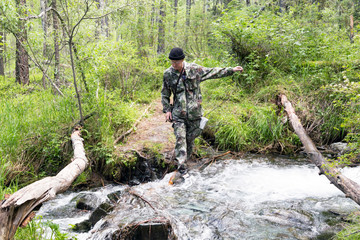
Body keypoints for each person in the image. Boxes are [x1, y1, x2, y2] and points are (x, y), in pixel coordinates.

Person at [161, 47, 243, 171]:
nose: (174, 65)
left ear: (182, 60)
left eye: (176, 62)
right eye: (172, 62)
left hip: (194, 113)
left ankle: (186, 161)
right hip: (178, 113)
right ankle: (181, 168)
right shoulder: (168, 74)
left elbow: (212, 72)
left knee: (190, 139)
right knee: (180, 139)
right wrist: (167, 110)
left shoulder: (194, 70)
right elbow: (165, 94)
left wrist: (231, 70)